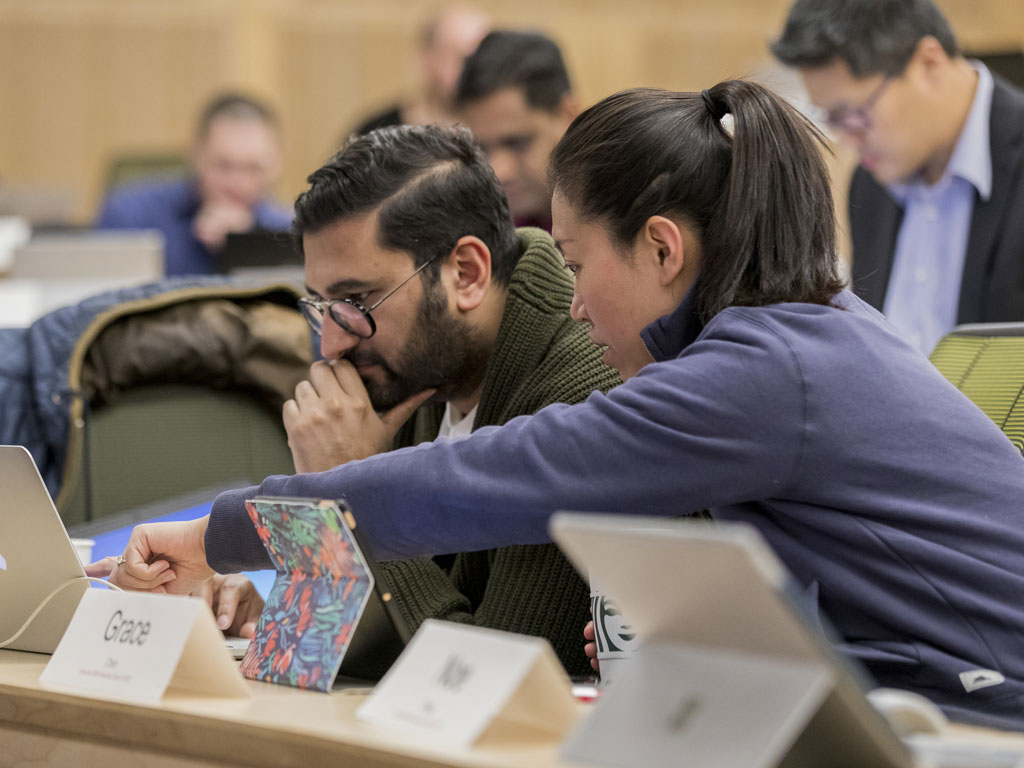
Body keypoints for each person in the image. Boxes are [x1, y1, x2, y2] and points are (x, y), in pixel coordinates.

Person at [100, 81, 1024, 730]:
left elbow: (484, 478)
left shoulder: (762, 368)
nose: (576, 301)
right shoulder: (799, 333)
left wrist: (222, 530)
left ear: (663, 251)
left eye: (582, 264)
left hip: (982, 715)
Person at [94, 124, 619, 673]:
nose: (332, 343)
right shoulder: (421, 369)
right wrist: (276, 600)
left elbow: (483, 685)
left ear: (466, 273)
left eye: (356, 300)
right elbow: (306, 651)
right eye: (321, 305)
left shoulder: (581, 394)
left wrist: (356, 484)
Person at [772, 0, 1024, 355]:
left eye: (854, 114)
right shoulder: (870, 184)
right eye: (832, 119)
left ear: (927, 63)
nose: (847, 138)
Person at [96, 93, 292, 276]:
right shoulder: (130, 215)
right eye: (223, 166)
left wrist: (247, 243)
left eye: (253, 168)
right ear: (196, 155)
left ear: (277, 163)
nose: (237, 182)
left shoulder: (294, 235)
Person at [453, 30, 579, 230]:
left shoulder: (630, 222)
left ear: (569, 117)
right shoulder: (483, 229)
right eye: (482, 149)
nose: (499, 171)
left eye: (518, 143)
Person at [353, 5, 489, 134]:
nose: (473, 67)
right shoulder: (377, 132)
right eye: (458, 56)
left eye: (482, 55)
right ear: (427, 58)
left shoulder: (499, 136)